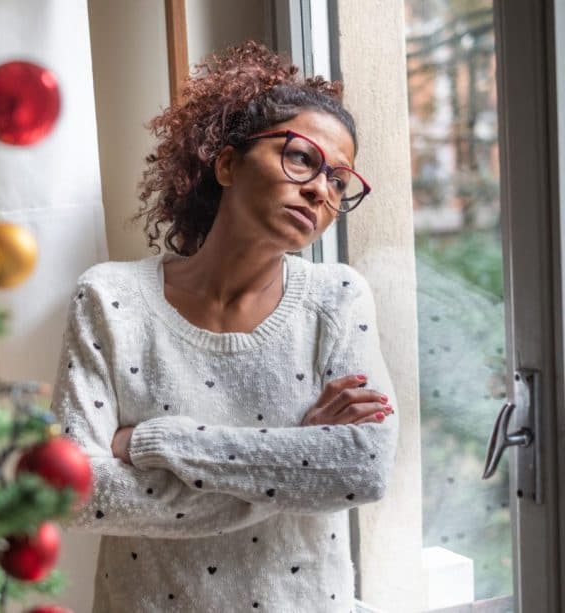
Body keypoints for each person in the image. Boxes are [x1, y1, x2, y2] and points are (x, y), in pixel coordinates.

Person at [50, 40, 399, 613]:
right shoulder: (110, 298)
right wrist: (297, 465)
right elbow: (77, 492)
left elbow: (362, 469)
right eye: (303, 157)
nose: (320, 190)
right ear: (228, 163)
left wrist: (155, 442)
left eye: (340, 182)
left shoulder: (337, 298)